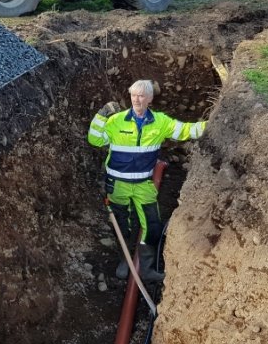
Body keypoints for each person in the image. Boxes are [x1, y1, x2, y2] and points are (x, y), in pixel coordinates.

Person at [87, 80, 207, 283]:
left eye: (141, 96)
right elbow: (95, 139)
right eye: (134, 95)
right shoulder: (116, 120)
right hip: (117, 185)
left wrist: (216, 122)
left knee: (152, 225)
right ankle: (125, 261)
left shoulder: (160, 122)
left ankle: (147, 269)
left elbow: (186, 130)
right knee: (121, 225)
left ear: (150, 99)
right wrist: (101, 115)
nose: (137, 99)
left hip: (143, 185)